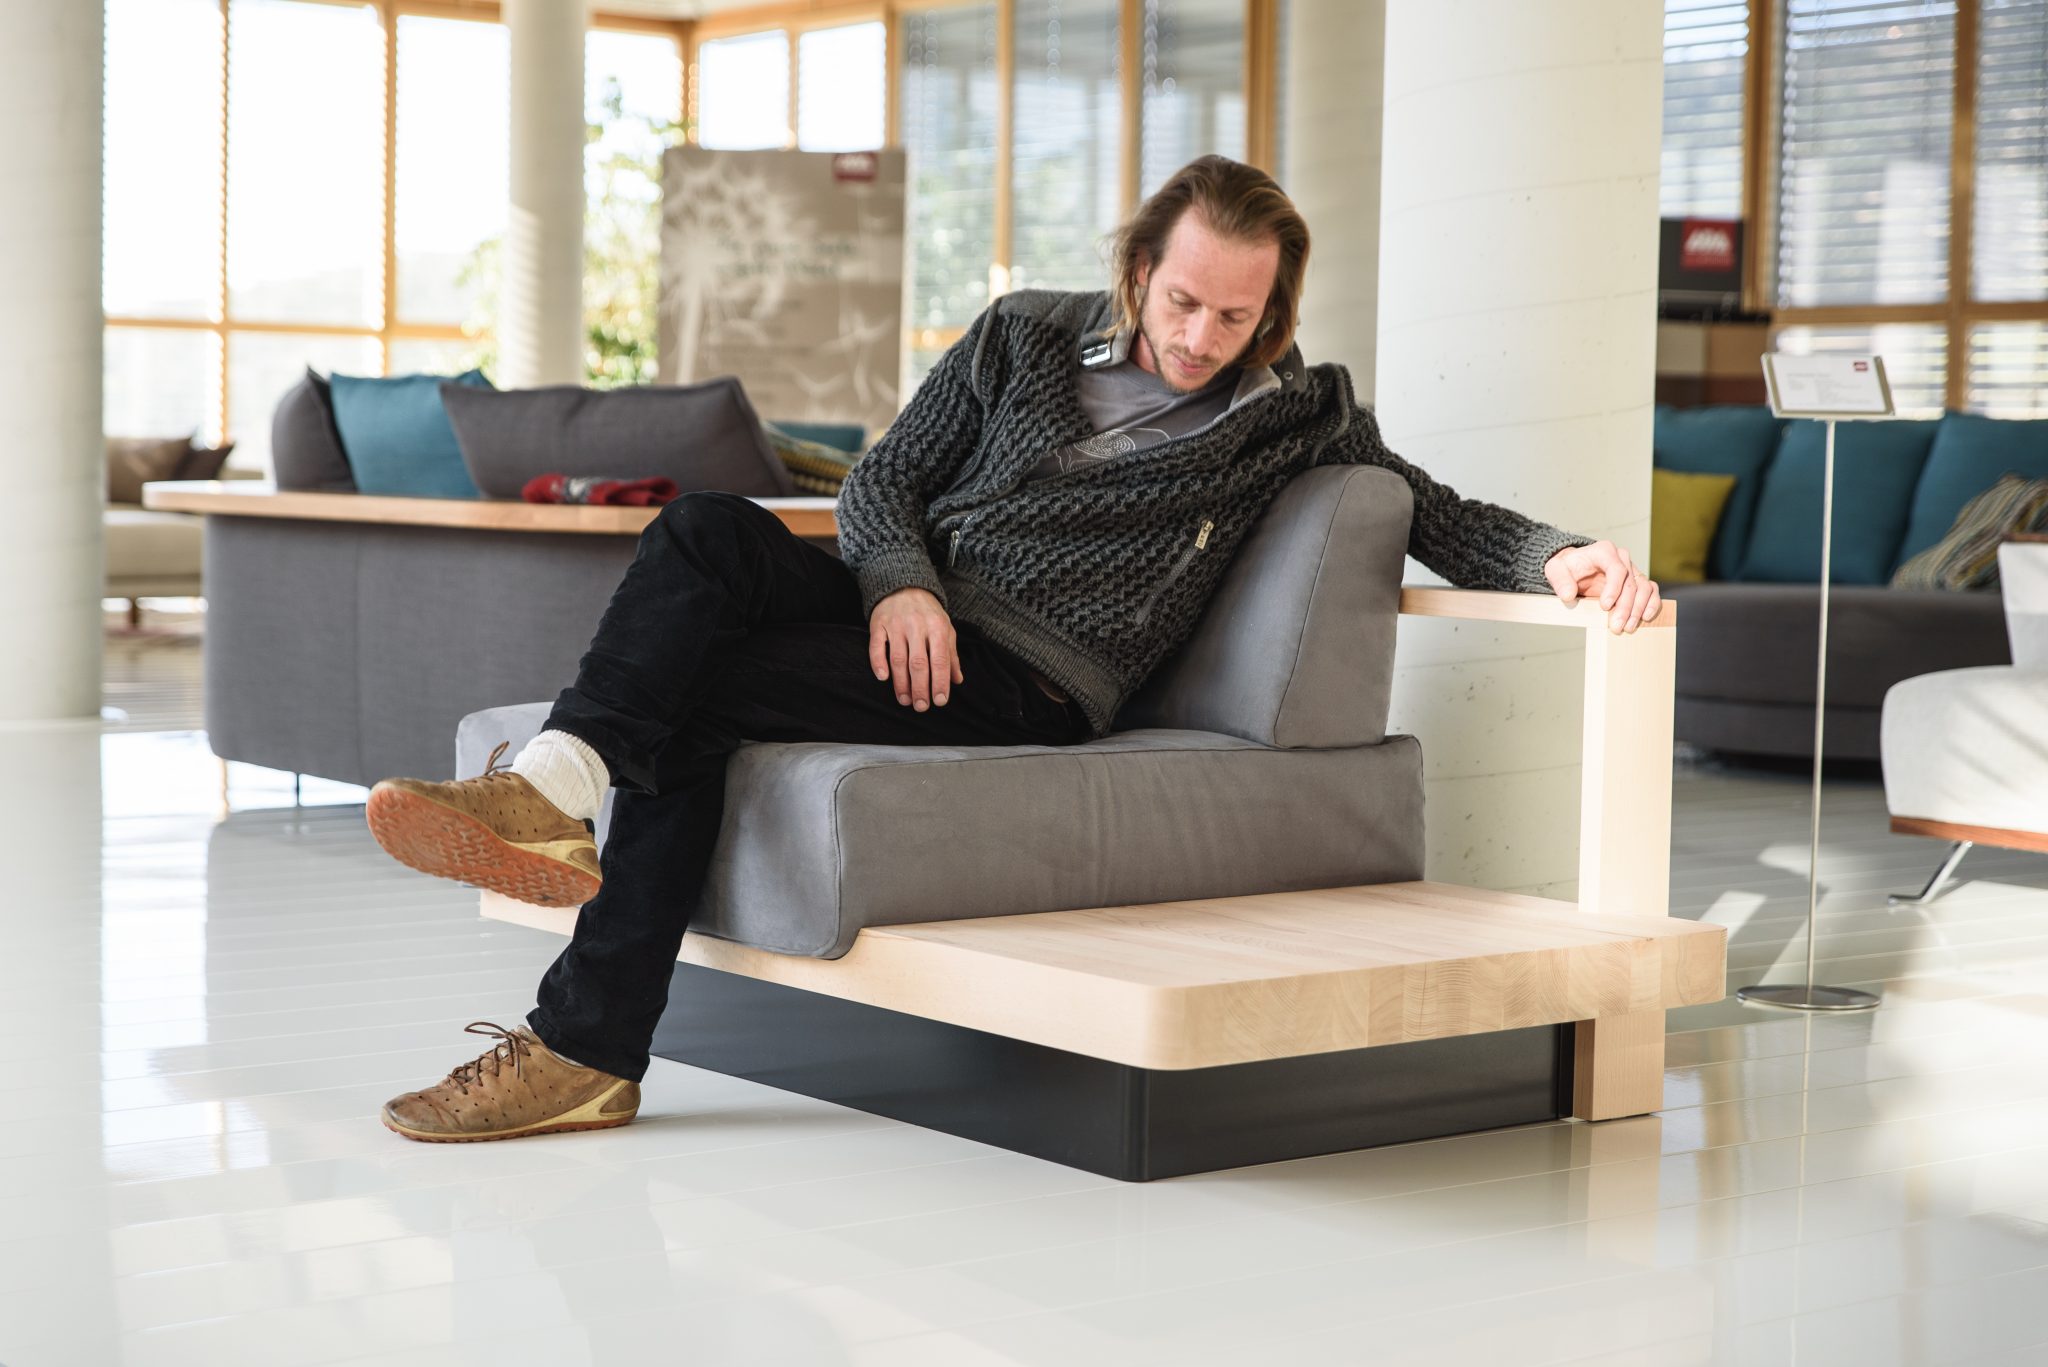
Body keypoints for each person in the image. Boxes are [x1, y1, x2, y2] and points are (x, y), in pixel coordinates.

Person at [364, 155, 1662, 1142]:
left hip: (1027, 676)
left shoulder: (1296, 415)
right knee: (706, 526)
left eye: (1235, 316)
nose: (1199, 339)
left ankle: (583, 1038)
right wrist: (899, 585)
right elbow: (886, 480)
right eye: (1182, 300)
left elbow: (1438, 511)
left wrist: (1561, 556)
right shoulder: (1022, 333)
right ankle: (558, 800)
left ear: (1272, 310)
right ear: (1138, 266)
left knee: (691, 693)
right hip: (908, 614)